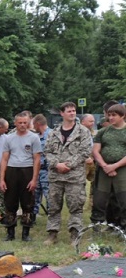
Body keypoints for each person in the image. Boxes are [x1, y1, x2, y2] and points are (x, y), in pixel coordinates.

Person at [42, 102, 92, 244]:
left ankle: (75, 234)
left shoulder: (83, 131)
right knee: (54, 205)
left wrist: (68, 165)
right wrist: (57, 164)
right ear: (62, 113)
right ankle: (52, 233)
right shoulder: (53, 133)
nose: (72, 113)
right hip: (56, 175)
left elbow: (84, 152)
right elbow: (47, 151)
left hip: (74, 176)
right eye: (69, 111)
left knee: (75, 206)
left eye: (74, 111)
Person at [0, 111, 42, 242]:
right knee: (10, 202)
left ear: (28, 123)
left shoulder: (34, 138)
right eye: (20, 123)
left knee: (27, 203)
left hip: (27, 170)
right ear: (15, 123)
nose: (22, 125)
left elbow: (37, 160)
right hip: (12, 170)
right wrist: (2, 179)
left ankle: (25, 233)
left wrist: (34, 179)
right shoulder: (8, 138)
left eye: (25, 122)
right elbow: (4, 159)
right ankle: (10, 232)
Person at [91, 103, 126, 227]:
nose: (110, 118)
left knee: (123, 199)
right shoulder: (103, 131)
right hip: (104, 169)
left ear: (122, 116)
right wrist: (105, 166)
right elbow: (95, 151)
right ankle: (97, 226)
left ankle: (123, 227)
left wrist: (114, 166)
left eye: (114, 115)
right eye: (109, 115)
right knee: (99, 200)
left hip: (122, 170)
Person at [32, 113, 51, 224]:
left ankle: (52, 219)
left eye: (33, 124)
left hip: (48, 170)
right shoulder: (36, 136)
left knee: (49, 196)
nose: (33, 127)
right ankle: (32, 218)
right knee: (34, 195)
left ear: (38, 124)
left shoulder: (52, 135)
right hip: (36, 170)